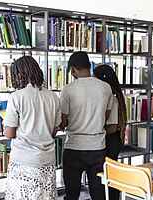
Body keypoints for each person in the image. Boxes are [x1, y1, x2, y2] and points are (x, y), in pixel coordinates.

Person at [3, 56, 61, 200]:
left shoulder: (16, 97)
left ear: (19, 75)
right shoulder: (53, 96)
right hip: (47, 161)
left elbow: (9, 134)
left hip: (24, 161)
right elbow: (54, 130)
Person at [60, 51, 113, 200]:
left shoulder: (68, 89)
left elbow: (63, 123)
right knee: (98, 194)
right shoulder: (105, 87)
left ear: (72, 70)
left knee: (72, 194)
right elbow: (105, 116)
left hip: (74, 148)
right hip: (98, 147)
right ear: (89, 66)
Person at [93, 64, 127, 200]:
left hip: (111, 141)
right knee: (110, 177)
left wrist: (94, 131)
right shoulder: (114, 94)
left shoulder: (112, 98)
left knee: (109, 178)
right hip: (114, 140)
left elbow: (112, 127)